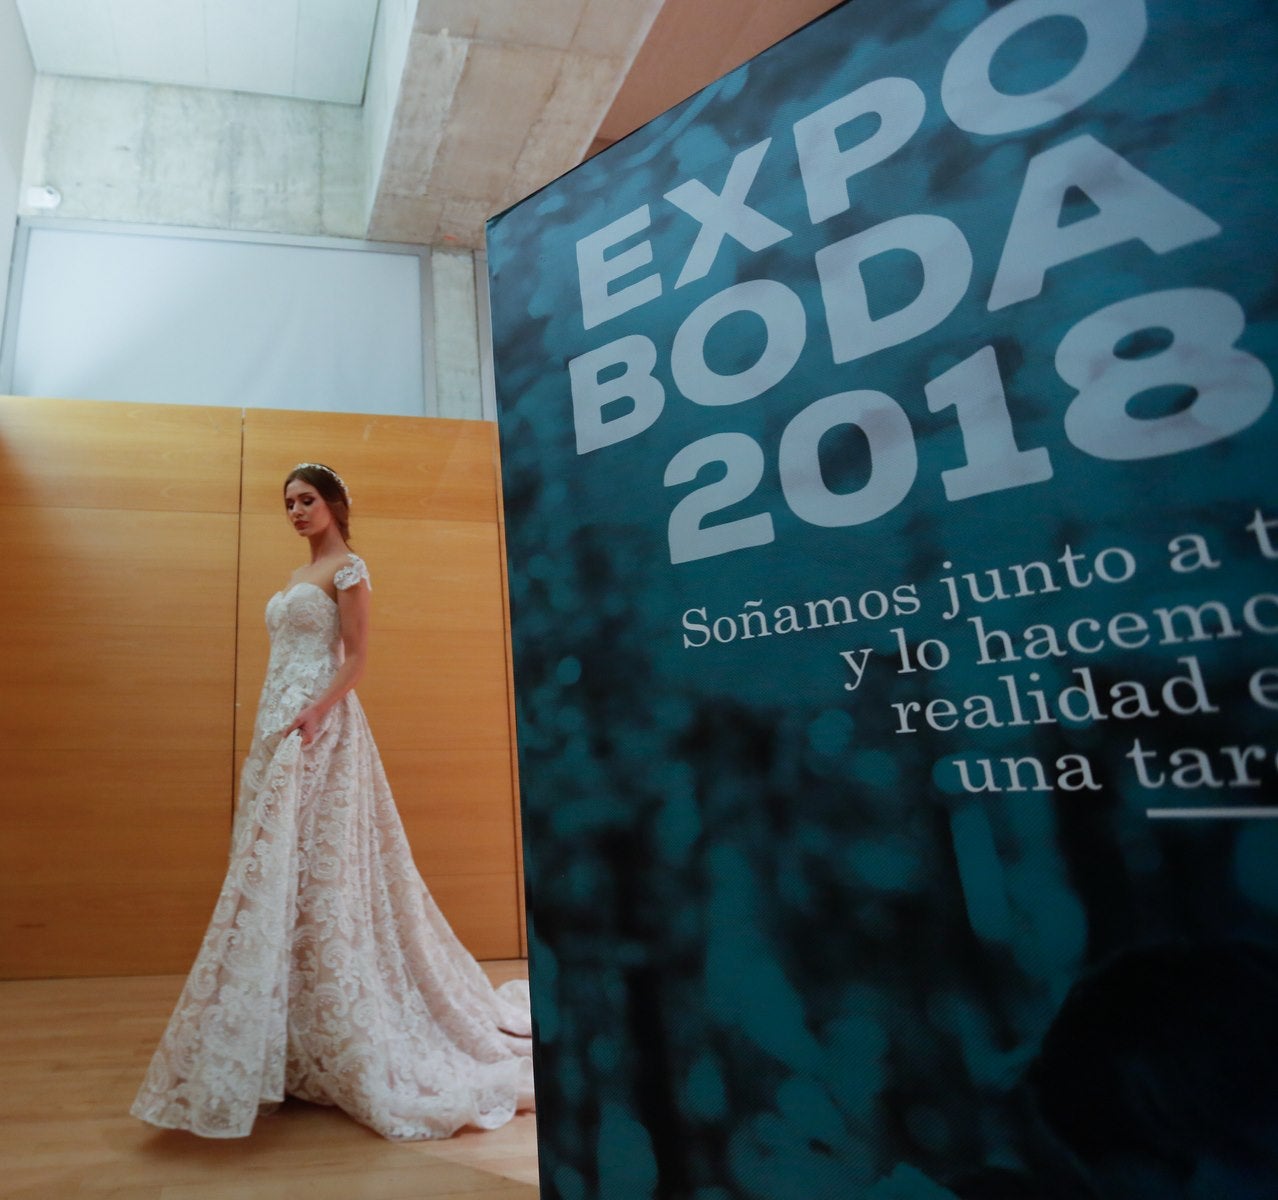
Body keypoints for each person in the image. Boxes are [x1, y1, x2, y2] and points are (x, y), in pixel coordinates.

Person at [132, 462, 535, 1140]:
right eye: (288, 502)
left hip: (317, 728)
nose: (295, 510)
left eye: (307, 499)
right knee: (277, 871)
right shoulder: (294, 578)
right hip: (275, 725)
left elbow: (357, 658)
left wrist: (317, 713)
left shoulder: (349, 570)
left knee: (320, 869)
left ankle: (330, 1025)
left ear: (336, 503)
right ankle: (283, 1039)